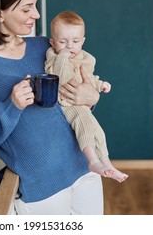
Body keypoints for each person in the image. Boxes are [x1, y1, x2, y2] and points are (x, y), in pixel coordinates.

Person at [0, 0, 103, 215]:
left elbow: (73, 98)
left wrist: (92, 97)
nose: (36, 14)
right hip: (42, 190)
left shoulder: (42, 47)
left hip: (85, 169)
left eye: (34, 6)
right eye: (26, 8)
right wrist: (12, 105)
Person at [45, 11, 128, 183]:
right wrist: (62, 57)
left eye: (75, 41)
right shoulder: (53, 56)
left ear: (82, 41)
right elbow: (59, 76)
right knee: (83, 123)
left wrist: (99, 85)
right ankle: (93, 161)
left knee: (98, 132)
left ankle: (108, 164)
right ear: (52, 42)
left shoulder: (87, 58)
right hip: (66, 103)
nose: (69, 46)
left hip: (82, 104)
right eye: (63, 42)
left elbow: (89, 78)